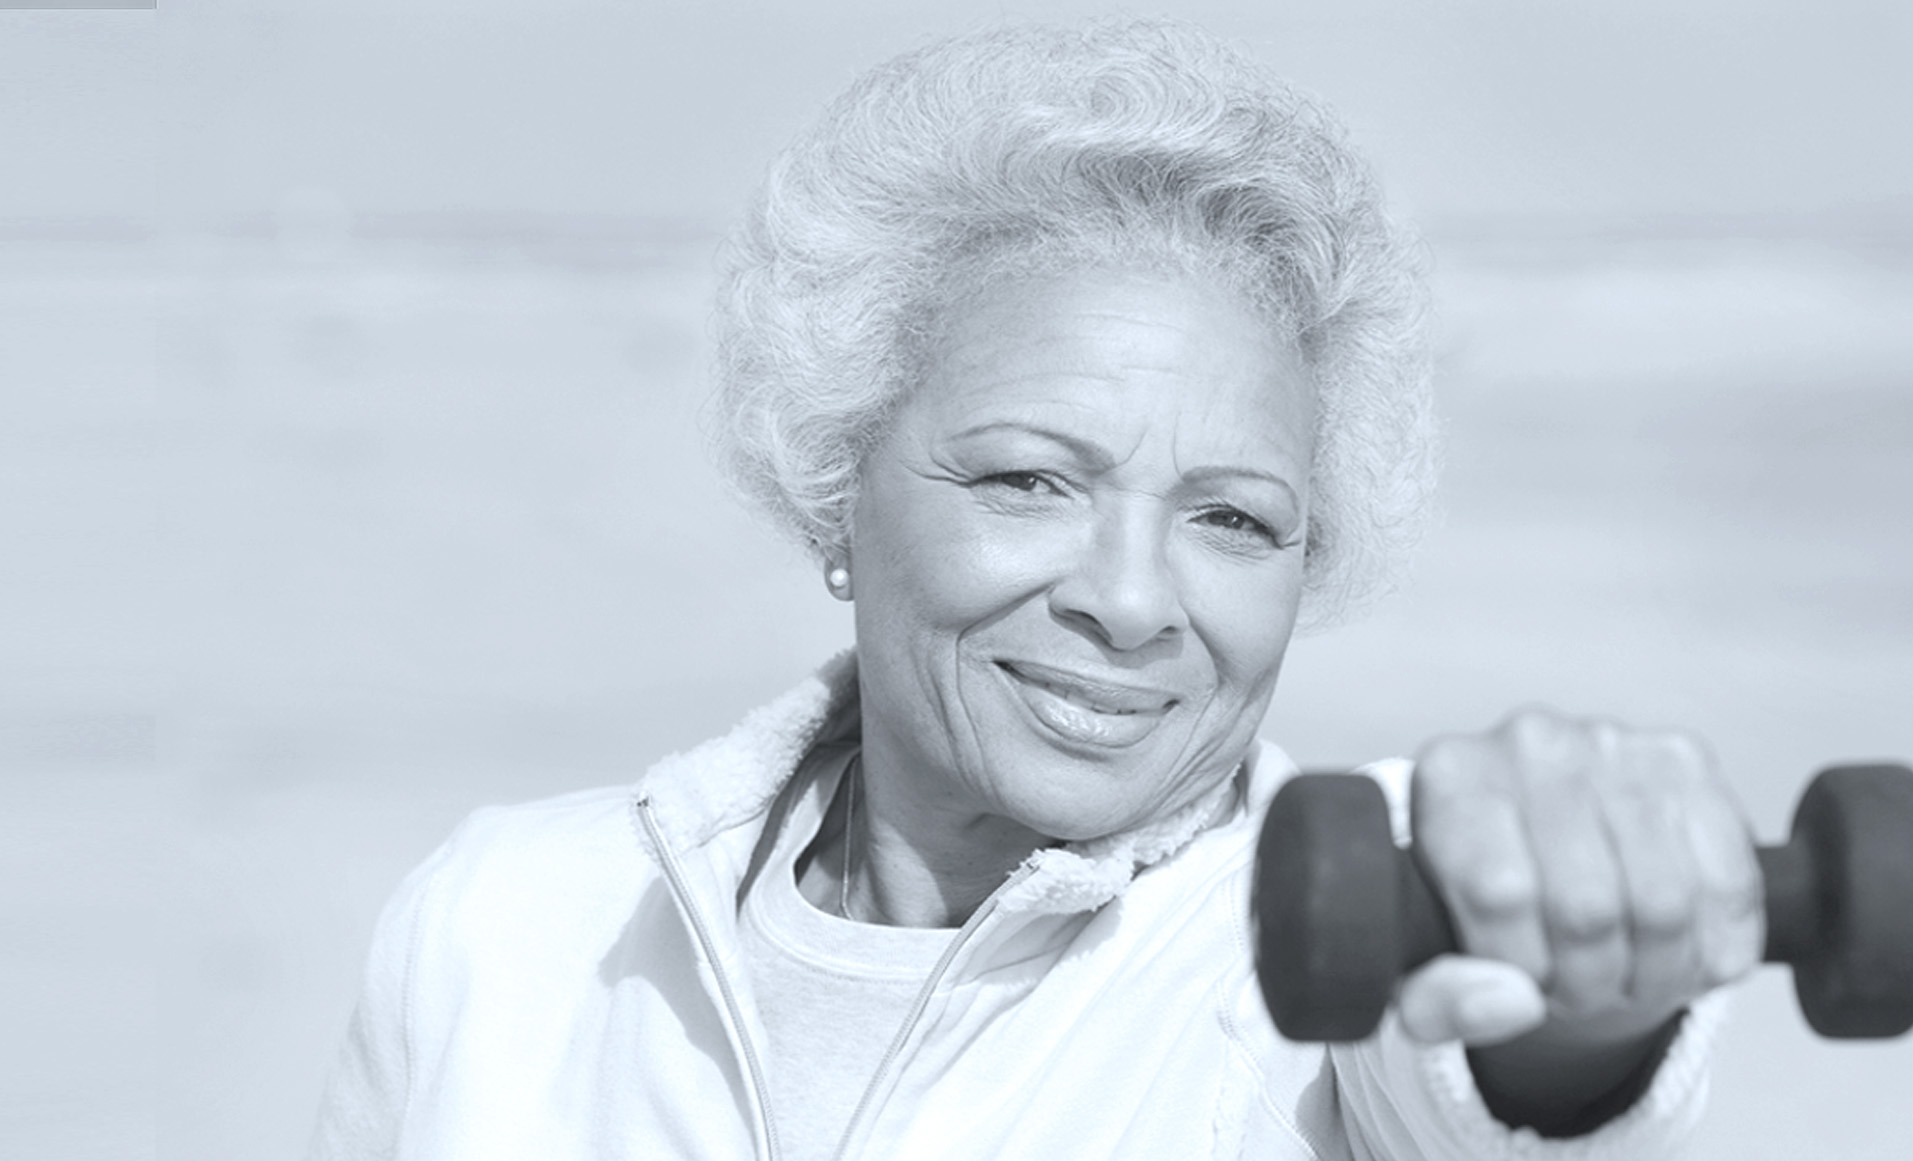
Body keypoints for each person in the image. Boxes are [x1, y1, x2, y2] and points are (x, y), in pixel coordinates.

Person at [310, 20, 1761, 1160]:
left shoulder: (1337, 939)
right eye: (1027, 480)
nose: (1130, 602)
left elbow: (1501, 1086)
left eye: (1233, 518)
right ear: (835, 476)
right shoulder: (502, 926)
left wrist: (1578, 995)